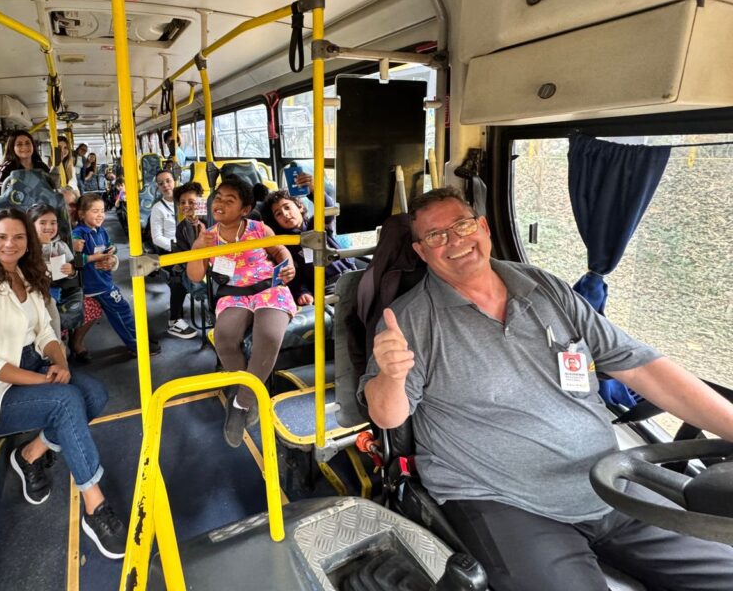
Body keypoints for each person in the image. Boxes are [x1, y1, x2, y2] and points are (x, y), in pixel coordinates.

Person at [359, 186, 733, 591]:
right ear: (421, 252)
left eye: (462, 225)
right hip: (502, 499)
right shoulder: (409, 320)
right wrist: (391, 375)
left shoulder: (545, 288)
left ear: (483, 227)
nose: (454, 241)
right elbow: (387, 415)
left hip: (608, 480)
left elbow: (642, 368)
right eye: (435, 236)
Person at [0, 209, 127, 559]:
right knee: (66, 401)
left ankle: (31, 453)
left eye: (18, 237)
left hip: (35, 362)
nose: (10, 244)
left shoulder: (26, 275)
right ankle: (95, 506)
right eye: (2, 237)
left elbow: (47, 332)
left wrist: (60, 362)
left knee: (94, 393)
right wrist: (43, 380)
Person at [186, 176, 295, 447]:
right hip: (234, 293)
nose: (220, 203)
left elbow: (281, 252)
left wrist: (288, 265)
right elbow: (196, 276)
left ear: (245, 209)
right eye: (219, 197)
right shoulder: (208, 237)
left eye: (229, 200)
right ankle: (251, 396)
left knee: (268, 336)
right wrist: (198, 249)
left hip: (268, 287)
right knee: (223, 337)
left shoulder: (259, 230)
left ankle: (241, 403)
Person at [70, 193, 161, 359]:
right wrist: (95, 258)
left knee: (120, 310)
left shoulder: (100, 231)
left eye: (102, 211)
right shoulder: (79, 234)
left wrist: (112, 252)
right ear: (82, 213)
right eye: (95, 211)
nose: (100, 215)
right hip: (96, 285)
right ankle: (137, 345)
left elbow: (111, 247)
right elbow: (76, 261)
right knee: (121, 311)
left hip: (104, 280)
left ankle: (138, 340)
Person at [263, 172, 355, 306]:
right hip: (325, 287)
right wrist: (302, 292)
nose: (285, 214)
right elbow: (294, 275)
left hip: (350, 274)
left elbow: (327, 209)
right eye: (278, 214)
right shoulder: (284, 244)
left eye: (287, 207)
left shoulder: (316, 225)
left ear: (300, 207)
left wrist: (314, 190)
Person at [149, 170, 196, 339]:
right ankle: (174, 320)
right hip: (171, 251)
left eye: (168, 181)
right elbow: (157, 238)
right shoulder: (158, 208)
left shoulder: (186, 202)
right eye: (161, 183)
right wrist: (178, 248)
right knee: (179, 273)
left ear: (174, 181)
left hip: (193, 247)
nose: (165, 185)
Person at [27, 203, 74, 336]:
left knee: (49, 303)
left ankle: (56, 339)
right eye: (43, 223)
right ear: (31, 225)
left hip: (53, 287)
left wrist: (70, 270)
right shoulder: (26, 246)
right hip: (32, 287)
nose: (48, 227)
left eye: (53, 223)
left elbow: (72, 268)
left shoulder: (60, 245)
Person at [0, 130, 53, 197]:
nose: (24, 147)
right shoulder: (7, 166)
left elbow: (51, 184)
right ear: (12, 148)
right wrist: (19, 186)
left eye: (27, 143)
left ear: (32, 145)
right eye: (19, 144)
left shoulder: (40, 165)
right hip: (15, 204)